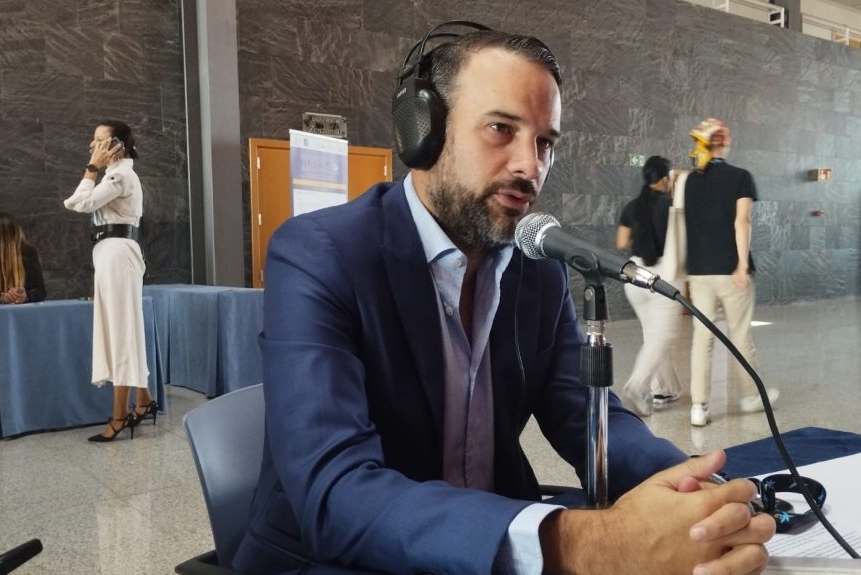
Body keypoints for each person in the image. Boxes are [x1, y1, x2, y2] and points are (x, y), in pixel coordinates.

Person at [235, 27, 773, 575]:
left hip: (486, 547)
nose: (529, 167)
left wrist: (692, 488)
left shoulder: (534, 267)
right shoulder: (320, 254)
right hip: (342, 558)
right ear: (423, 131)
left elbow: (582, 412)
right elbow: (334, 491)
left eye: (545, 142)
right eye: (500, 129)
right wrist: (589, 543)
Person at [63, 120, 157, 443]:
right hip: (112, 253)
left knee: (121, 333)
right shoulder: (117, 175)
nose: (93, 146)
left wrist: (91, 169)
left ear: (115, 145)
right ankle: (143, 400)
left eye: (98, 141)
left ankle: (120, 416)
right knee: (124, 328)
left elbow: (78, 202)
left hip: (118, 253)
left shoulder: (119, 175)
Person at [683, 118, 779, 427]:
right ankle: (750, 397)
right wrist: (741, 264)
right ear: (724, 143)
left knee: (702, 340)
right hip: (729, 271)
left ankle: (699, 406)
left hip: (698, 272)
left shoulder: (690, 181)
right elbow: (742, 222)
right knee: (740, 335)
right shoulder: (741, 177)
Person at [616, 156, 684, 417]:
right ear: (664, 179)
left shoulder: (632, 206)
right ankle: (637, 386)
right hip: (663, 274)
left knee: (653, 334)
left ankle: (662, 388)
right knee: (662, 336)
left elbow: (622, 242)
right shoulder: (671, 207)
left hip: (635, 274)